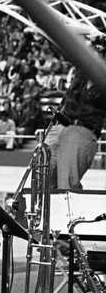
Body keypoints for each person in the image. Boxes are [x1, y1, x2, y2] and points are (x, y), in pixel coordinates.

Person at [45, 37, 106, 189]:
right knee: (41, 183)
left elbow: (97, 97)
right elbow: (59, 42)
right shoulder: (82, 66)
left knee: (66, 187)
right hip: (61, 125)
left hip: (81, 130)